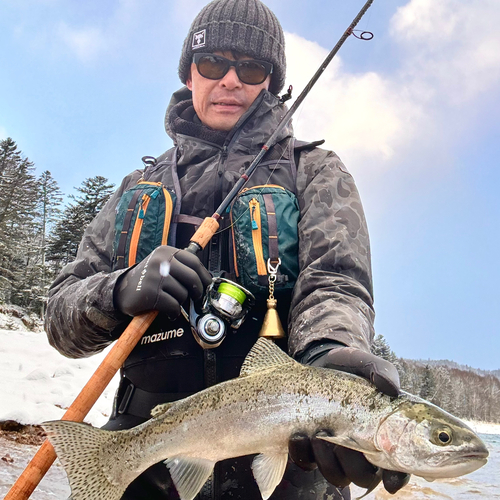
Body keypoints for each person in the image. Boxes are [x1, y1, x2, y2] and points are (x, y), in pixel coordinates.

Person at [45, 0, 409, 498]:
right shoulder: (137, 186)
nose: (230, 80)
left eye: (251, 67)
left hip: (286, 451)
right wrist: (116, 291)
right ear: (189, 74)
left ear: (271, 82)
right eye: (212, 63)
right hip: (143, 456)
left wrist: (331, 352)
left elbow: (336, 283)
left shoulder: (318, 171)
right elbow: (59, 321)